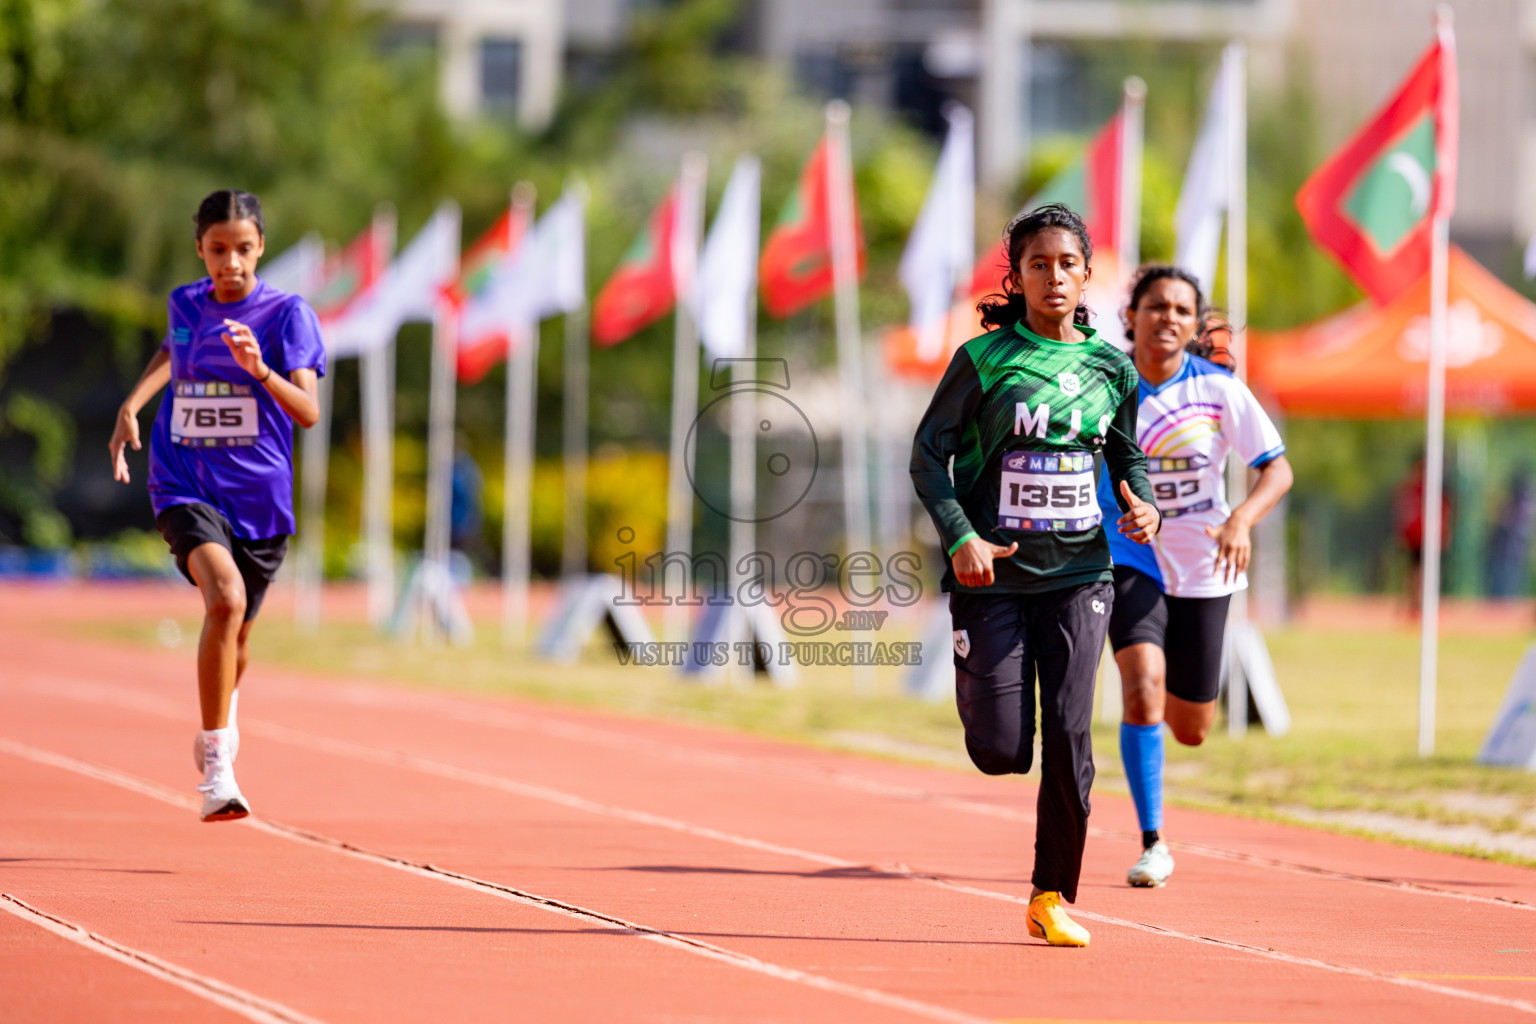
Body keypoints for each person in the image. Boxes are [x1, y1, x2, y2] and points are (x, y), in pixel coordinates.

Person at [911, 204, 1161, 947]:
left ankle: (1051, 894)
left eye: (1067, 264)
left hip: (1083, 574)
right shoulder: (983, 360)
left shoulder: (1112, 368)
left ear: (1088, 275)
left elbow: (1126, 454)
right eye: (1038, 264)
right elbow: (929, 456)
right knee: (1000, 750)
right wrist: (961, 536)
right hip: (993, 581)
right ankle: (983, 693)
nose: (1053, 277)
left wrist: (1142, 503)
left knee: (1072, 733)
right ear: (1016, 277)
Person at [109, 190, 325, 822]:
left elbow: (308, 412)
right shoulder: (186, 302)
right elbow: (173, 352)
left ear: (261, 246)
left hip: (259, 496)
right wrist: (132, 405)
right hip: (185, 481)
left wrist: (259, 371)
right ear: (200, 248)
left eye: (244, 249)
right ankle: (218, 768)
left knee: (240, 634)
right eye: (217, 250)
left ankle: (219, 724)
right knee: (223, 599)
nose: (230, 262)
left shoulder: (288, 315)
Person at [1098, 265, 1292, 888]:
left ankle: (1169, 758)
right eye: (1157, 306)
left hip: (1205, 562)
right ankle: (1154, 841)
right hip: (1130, 555)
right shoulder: (1104, 386)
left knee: (1191, 728)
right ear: (1131, 316)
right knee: (1141, 683)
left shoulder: (1217, 388)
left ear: (1194, 323)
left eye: (1182, 309)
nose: (1169, 318)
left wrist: (1241, 519)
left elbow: (1277, 470)